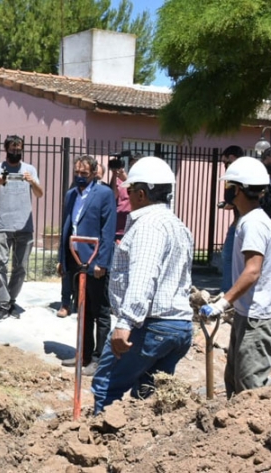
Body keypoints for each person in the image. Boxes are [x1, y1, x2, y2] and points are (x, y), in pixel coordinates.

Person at [90, 157, 194, 414]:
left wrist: (125, 323)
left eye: (129, 190)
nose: (125, 194)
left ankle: (99, 447)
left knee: (106, 385)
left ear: (141, 193)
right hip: (178, 326)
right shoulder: (177, 225)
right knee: (149, 395)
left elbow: (144, 276)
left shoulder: (149, 226)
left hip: (150, 324)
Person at [201, 157, 271, 398]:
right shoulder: (248, 220)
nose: (227, 190)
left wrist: (222, 303)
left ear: (237, 189)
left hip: (260, 317)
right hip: (248, 313)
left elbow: (252, 271)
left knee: (250, 387)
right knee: (234, 378)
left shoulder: (254, 224)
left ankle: (254, 433)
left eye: (229, 186)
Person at [57, 155, 117, 376]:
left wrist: (102, 261)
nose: (80, 177)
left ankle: (99, 358)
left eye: (84, 174)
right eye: (77, 173)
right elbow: (66, 227)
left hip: (94, 261)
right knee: (82, 309)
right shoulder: (71, 195)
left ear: (94, 174)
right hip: (75, 259)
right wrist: (62, 259)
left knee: (99, 310)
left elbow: (107, 230)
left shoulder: (104, 194)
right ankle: (83, 353)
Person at [0, 135, 43, 321]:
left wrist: (32, 181)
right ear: (6, 149)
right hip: (2, 225)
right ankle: (2, 305)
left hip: (24, 226)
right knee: (0, 265)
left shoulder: (30, 169)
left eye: (19, 149)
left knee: (21, 267)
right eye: (13, 149)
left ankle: (10, 300)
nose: (16, 152)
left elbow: (40, 194)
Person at [219, 145, 243, 293]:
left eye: (225, 162)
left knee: (228, 256)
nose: (225, 165)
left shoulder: (235, 175)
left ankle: (228, 291)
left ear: (232, 158)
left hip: (240, 222)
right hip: (240, 220)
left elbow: (229, 198)